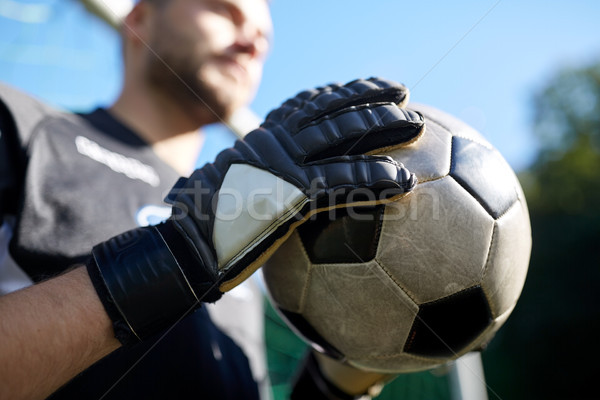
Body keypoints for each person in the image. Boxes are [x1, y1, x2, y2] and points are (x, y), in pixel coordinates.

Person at [0, 1, 424, 399]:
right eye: (225, 10)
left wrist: (336, 382)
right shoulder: (19, 124)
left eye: (264, 37)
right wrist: (174, 258)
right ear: (140, 19)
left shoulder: (251, 236)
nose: (253, 42)